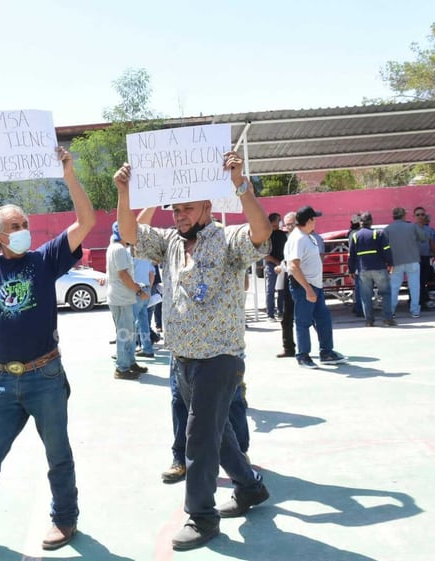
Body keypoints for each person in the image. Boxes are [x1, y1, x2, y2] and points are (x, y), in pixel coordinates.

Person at [0, 146, 95, 558]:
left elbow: (87, 221)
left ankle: (65, 518)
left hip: (46, 376)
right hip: (2, 382)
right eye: (15, 225)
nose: (24, 228)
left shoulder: (45, 259)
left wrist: (69, 175)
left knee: (58, 454)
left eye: (25, 222)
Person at [115, 150, 272, 551]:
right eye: (175, 208)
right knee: (216, 437)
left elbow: (260, 234)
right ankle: (250, 487)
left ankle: (201, 516)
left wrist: (241, 186)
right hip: (181, 358)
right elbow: (129, 234)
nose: (178, 214)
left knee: (198, 440)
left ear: (207, 205)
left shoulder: (228, 239)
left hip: (219, 357)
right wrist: (125, 190)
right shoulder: (168, 242)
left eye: (186, 207)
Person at [284, 206, 347, 369]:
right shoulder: (298, 239)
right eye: (314, 219)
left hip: (314, 286)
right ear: (309, 220)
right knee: (303, 321)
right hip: (305, 287)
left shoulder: (306, 237)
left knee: (323, 319)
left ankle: (326, 352)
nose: (316, 221)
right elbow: (293, 266)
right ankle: (303, 355)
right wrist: (308, 289)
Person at [107, 221, 150, 379]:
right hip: (121, 299)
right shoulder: (119, 250)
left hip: (123, 298)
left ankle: (129, 362)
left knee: (129, 334)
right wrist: (139, 291)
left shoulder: (118, 248)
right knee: (125, 335)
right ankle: (122, 368)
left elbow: (124, 275)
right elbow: (123, 275)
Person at [348, 211, 394, 327]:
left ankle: (369, 321)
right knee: (386, 293)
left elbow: (351, 255)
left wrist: (351, 270)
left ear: (360, 223)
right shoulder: (379, 234)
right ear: (371, 222)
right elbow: (386, 250)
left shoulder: (355, 236)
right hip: (379, 268)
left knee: (366, 296)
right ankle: (388, 319)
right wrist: (390, 263)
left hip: (363, 270)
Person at [383, 207, 427, 318]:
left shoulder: (387, 229)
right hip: (412, 260)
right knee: (414, 286)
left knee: (394, 287)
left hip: (395, 262)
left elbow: (384, 246)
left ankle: (391, 311)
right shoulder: (412, 226)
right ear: (404, 215)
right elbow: (423, 238)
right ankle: (415, 311)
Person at [275, 211, 298, 357]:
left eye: (291, 224)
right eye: (286, 224)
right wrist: (281, 266)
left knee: (313, 318)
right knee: (287, 317)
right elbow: (287, 260)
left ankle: (325, 348)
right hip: (290, 280)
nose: (288, 227)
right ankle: (288, 347)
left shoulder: (306, 238)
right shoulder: (287, 239)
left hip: (304, 281)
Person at [413, 206, 435, 310]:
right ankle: (423, 302)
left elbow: (432, 245)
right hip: (414, 259)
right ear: (414, 216)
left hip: (425, 258)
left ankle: (421, 301)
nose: (420, 216)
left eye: (422, 214)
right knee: (417, 282)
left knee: (423, 281)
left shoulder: (429, 230)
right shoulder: (411, 229)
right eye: (418, 214)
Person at [132, 248, 156, 358]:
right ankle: (147, 348)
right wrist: (148, 290)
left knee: (131, 322)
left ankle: (128, 351)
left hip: (135, 289)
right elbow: (152, 273)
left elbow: (125, 274)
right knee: (143, 321)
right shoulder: (146, 254)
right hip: (146, 288)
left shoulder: (128, 253)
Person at [264, 212, 287, 321]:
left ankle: (281, 312)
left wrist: (282, 263)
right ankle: (270, 313)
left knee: (282, 289)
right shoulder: (266, 235)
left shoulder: (283, 234)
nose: (280, 221)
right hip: (271, 265)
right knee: (271, 290)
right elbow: (265, 254)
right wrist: (276, 262)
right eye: (279, 219)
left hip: (282, 265)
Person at [347, 213, 364, 317]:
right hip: (361, 263)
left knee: (359, 287)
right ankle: (360, 308)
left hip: (356, 263)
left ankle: (359, 308)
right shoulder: (357, 234)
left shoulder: (351, 233)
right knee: (361, 287)